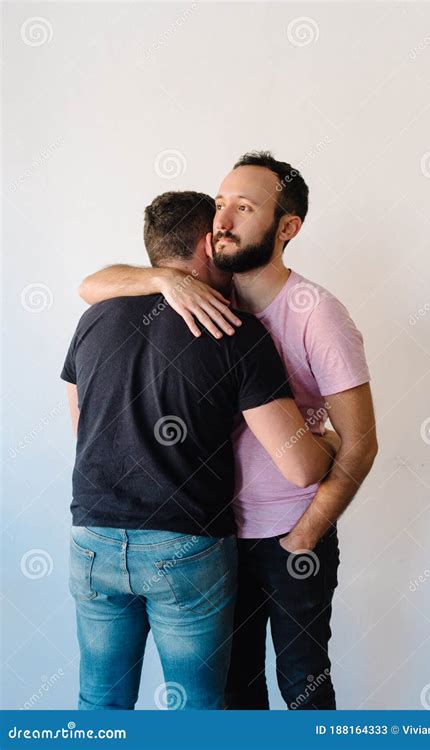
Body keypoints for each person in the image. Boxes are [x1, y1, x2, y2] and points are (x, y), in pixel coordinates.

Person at [79, 151, 378, 710]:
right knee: (234, 693)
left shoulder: (319, 314)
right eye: (219, 205)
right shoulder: (200, 296)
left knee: (303, 682)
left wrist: (307, 534)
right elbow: (91, 285)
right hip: (213, 540)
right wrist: (165, 278)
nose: (222, 221)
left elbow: (361, 441)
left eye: (244, 208)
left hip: (291, 536)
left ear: (287, 228)